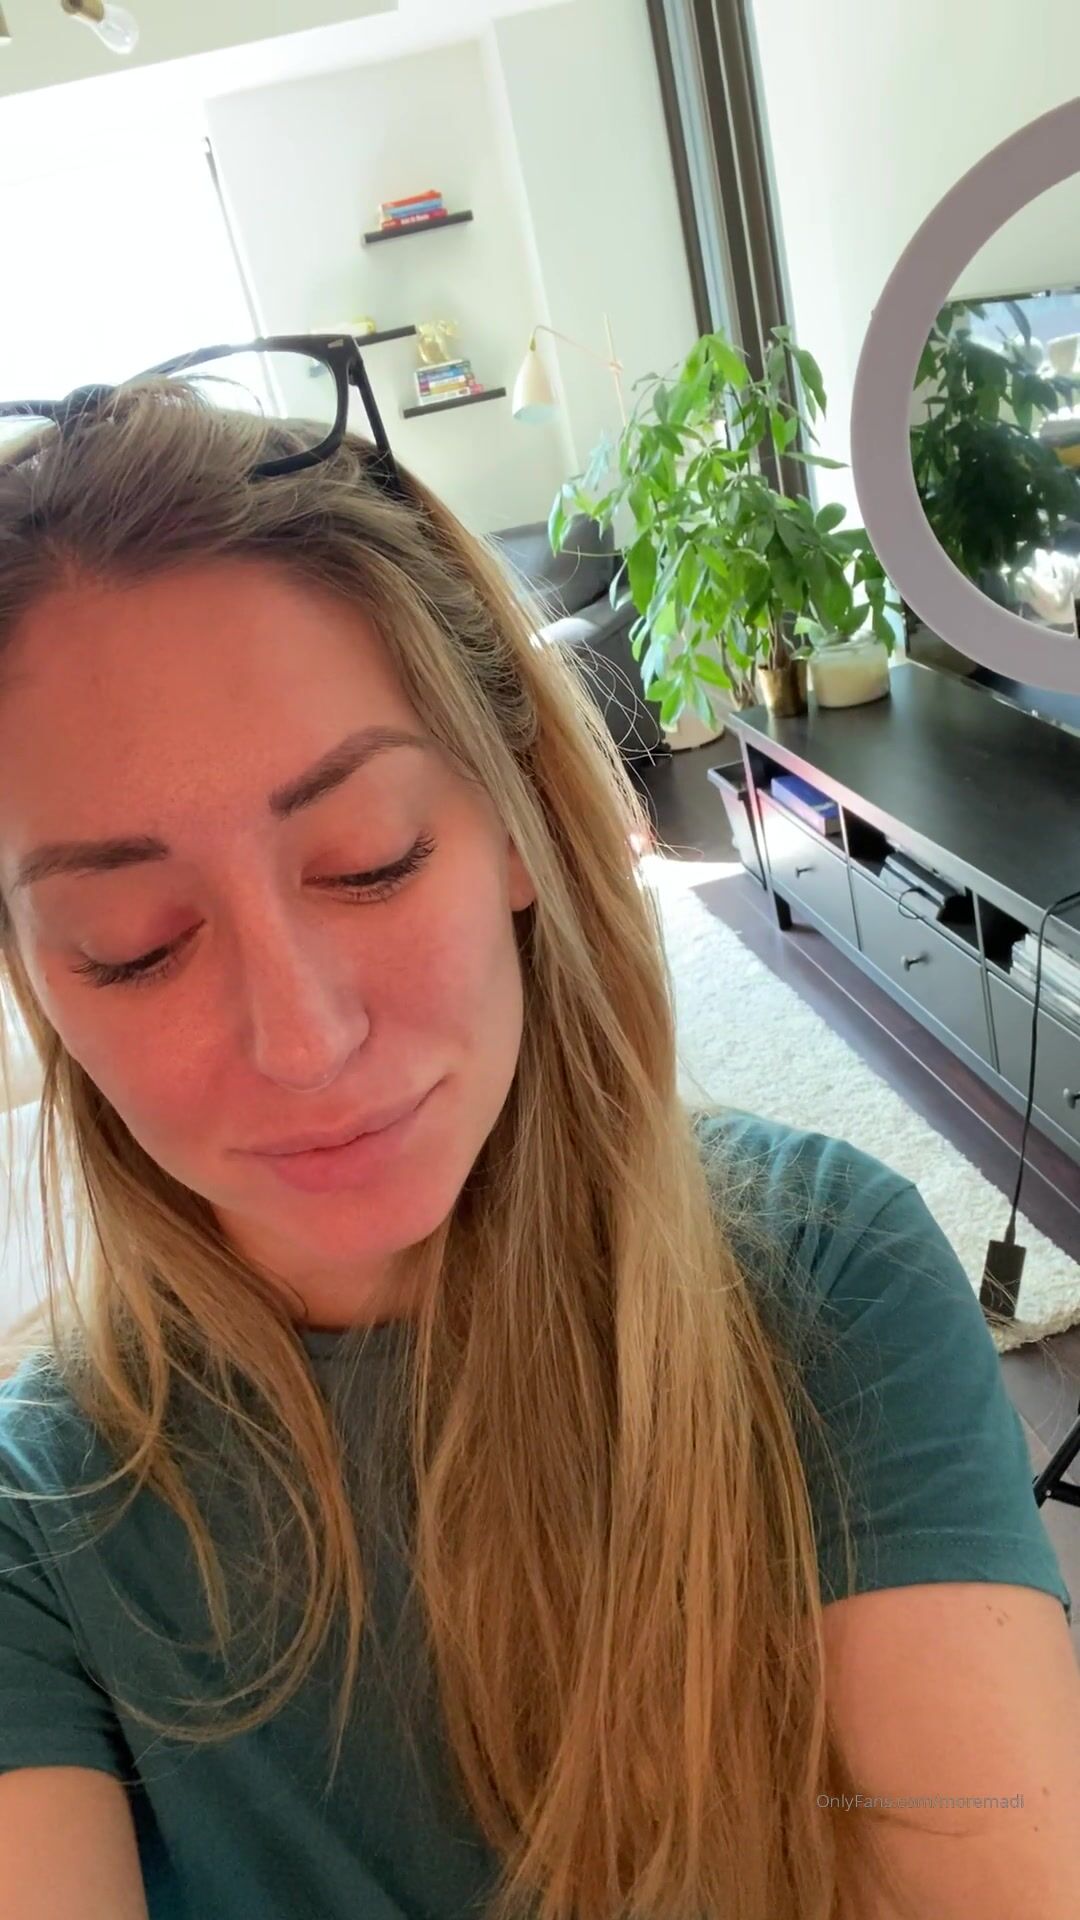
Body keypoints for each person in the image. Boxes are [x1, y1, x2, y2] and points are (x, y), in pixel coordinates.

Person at [0, 347, 1075, 1920]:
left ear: (516, 821)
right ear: (37, 980)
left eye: (369, 860)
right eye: (135, 944)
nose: (304, 1041)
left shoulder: (823, 1280)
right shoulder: (37, 1523)